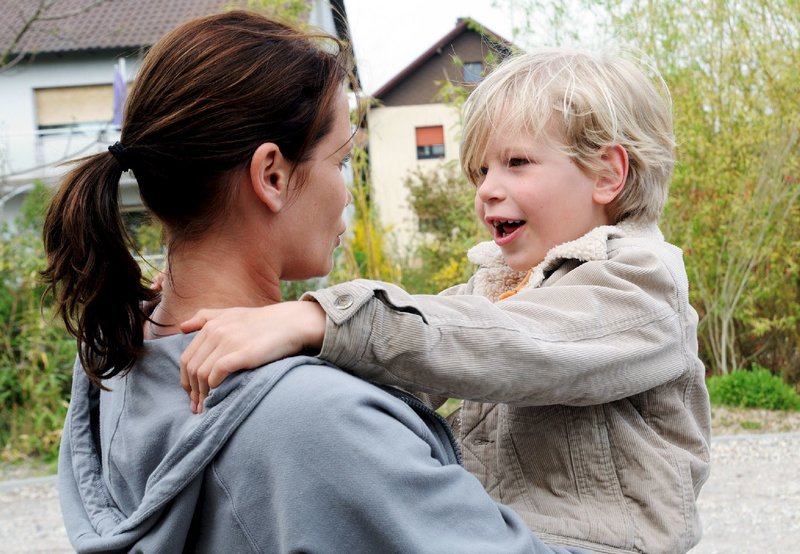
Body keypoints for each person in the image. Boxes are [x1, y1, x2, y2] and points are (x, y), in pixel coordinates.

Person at [42, 11, 588, 554]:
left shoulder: (114, 358)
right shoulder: (320, 423)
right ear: (272, 176)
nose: (347, 192)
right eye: (342, 160)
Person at [179, 48, 712, 553]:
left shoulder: (642, 280)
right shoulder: (501, 284)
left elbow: (521, 346)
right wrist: (264, 335)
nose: (486, 189)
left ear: (606, 175)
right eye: (481, 171)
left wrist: (319, 317)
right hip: (506, 531)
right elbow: (412, 363)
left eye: (516, 162)